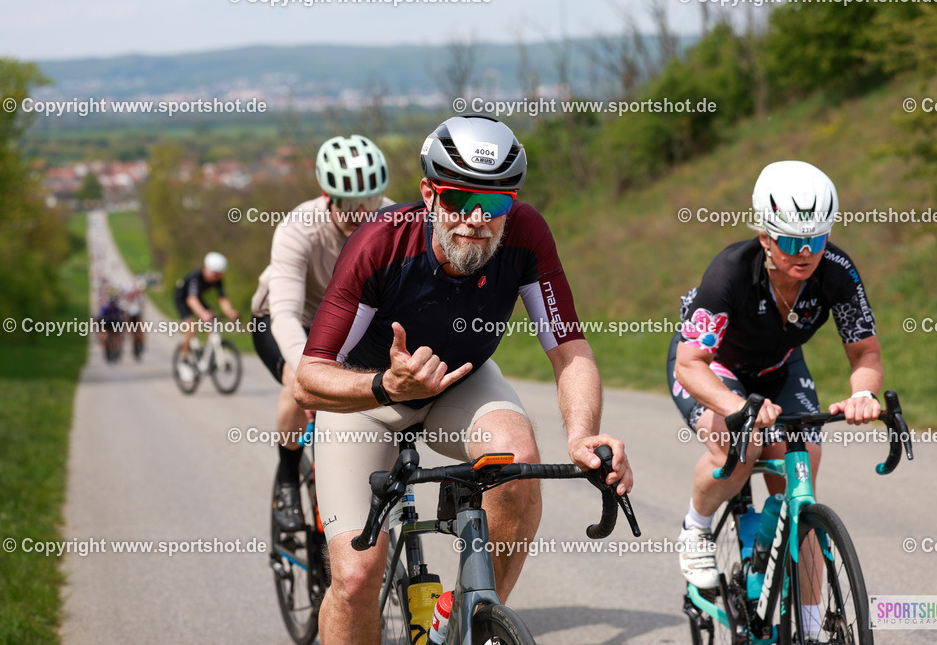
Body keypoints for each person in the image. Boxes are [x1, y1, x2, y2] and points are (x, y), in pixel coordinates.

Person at [293, 114, 634, 645]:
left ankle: (466, 621)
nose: (475, 218)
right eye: (457, 200)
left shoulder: (526, 235)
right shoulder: (379, 244)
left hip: (461, 382)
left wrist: (583, 434)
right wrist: (385, 385)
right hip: (368, 398)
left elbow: (569, 349)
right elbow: (308, 379)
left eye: (495, 203)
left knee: (517, 466)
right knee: (357, 576)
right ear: (428, 194)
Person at [668, 160, 882, 636]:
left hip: (779, 367)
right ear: (765, 235)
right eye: (789, 241)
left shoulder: (838, 272)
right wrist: (737, 407)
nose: (804, 252)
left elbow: (865, 351)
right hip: (711, 365)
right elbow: (690, 364)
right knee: (737, 445)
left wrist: (863, 391)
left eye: (816, 240)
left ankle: (805, 621)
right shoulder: (731, 271)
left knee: (801, 473)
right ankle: (696, 529)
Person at [251, 134, 393, 532]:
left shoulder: (394, 220)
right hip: (286, 320)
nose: (361, 217)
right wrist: (314, 376)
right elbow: (283, 314)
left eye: (370, 205)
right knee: (299, 384)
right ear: (326, 196)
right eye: (350, 209)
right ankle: (286, 475)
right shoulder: (299, 228)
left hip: (348, 324)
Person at [173, 251, 239, 381]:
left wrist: (229, 311)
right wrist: (203, 314)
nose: (216, 277)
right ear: (206, 269)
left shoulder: (218, 279)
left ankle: (204, 350)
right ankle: (184, 361)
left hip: (197, 298)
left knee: (213, 320)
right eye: (214, 274)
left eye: (219, 274)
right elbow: (191, 299)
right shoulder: (195, 278)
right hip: (183, 299)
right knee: (191, 327)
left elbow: (223, 298)